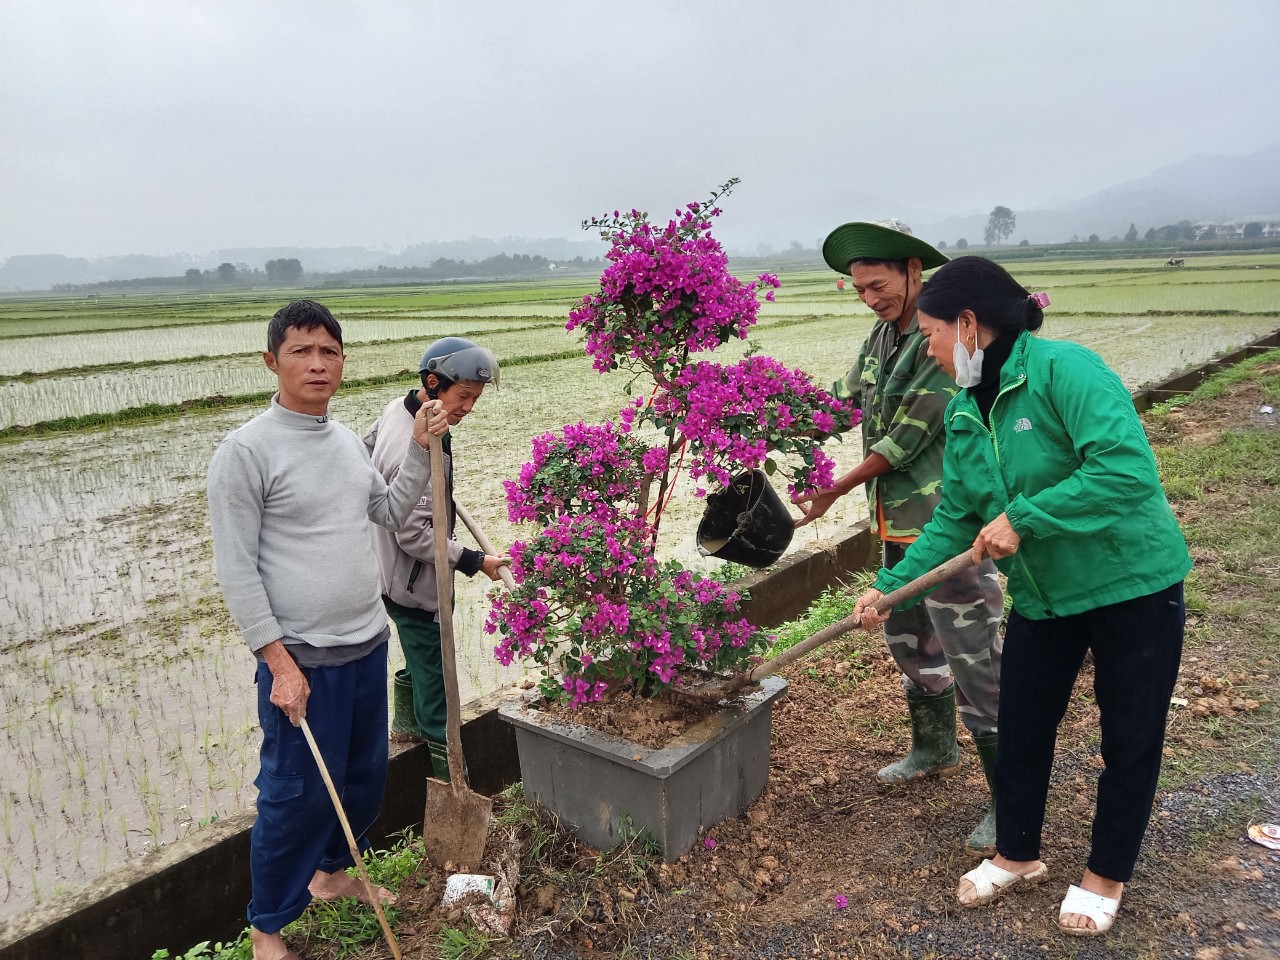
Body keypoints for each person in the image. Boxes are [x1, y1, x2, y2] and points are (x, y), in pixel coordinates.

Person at [852, 257, 1191, 937]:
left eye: (932, 333)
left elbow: (1124, 471)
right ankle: (1018, 854)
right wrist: (888, 589)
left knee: (1129, 737)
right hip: (1044, 596)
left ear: (970, 325)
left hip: (1132, 586)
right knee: (1023, 727)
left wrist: (1026, 517)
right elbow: (953, 517)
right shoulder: (962, 411)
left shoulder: (1068, 372)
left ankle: (1105, 874)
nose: (927, 347)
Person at [207, 300, 449, 960]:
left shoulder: (344, 442)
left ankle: (333, 874)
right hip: (303, 658)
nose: (318, 363)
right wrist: (279, 663)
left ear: (342, 362)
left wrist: (424, 451)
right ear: (272, 361)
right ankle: (267, 927)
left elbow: (391, 509)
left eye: (330, 352)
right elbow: (236, 571)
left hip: (367, 642)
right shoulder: (246, 452)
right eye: (302, 351)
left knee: (362, 775)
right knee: (293, 794)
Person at [795, 220, 1005, 857]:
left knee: (974, 655)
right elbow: (846, 401)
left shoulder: (946, 339)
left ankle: (1009, 795)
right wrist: (773, 420)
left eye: (878, 285)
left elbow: (906, 439)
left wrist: (834, 487)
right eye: (858, 289)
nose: (870, 298)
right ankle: (934, 746)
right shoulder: (882, 336)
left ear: (914, 271)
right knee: (908, 638)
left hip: (947, 530)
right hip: (895, 526)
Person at [364, 337, 508, 780]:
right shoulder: (418, 439)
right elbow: (412, 534)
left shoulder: (402, 409)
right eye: (463, 395)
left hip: (389, 575)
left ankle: (405, 725)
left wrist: (437, 494)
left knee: (418, 657)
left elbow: (367, 452)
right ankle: (448, 775)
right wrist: (472, 560)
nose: (468, 407)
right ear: (434, 382)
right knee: (437, 678)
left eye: (476, 398)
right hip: (414, 583)